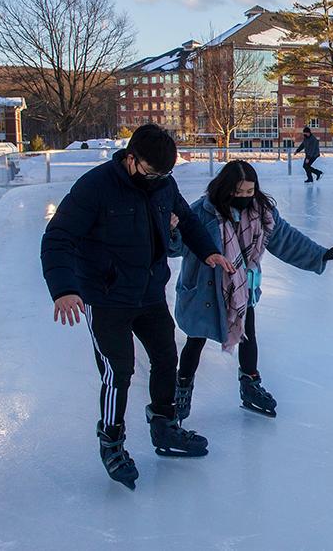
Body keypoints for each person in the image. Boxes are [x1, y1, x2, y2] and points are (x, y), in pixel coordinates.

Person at [40, 124, 235, 490]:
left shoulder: (163, 184)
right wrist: (64, 289)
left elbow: (189, 221)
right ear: (130, 158)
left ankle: (165, 427)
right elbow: (57, 238)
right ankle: (111, 442)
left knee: (166, 359)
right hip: (107, 298)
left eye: (164, 174)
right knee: (119, 372)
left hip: (149, 293)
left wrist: (209, 250)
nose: (156, 179)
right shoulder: (95, 187)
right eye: (150, 171)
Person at [168, 161, 333, 420]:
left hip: (242, 289)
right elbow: (177, 248)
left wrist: (319, 255)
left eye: (249, 192)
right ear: (225, 188)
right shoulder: (201, 212)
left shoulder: (262, 213)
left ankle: (250, 384)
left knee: (247, 334)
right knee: (196, 339)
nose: (243, 197)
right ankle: (182, 388)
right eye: (237, 192)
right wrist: (172, 232)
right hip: (204, 289)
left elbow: (286, 239)